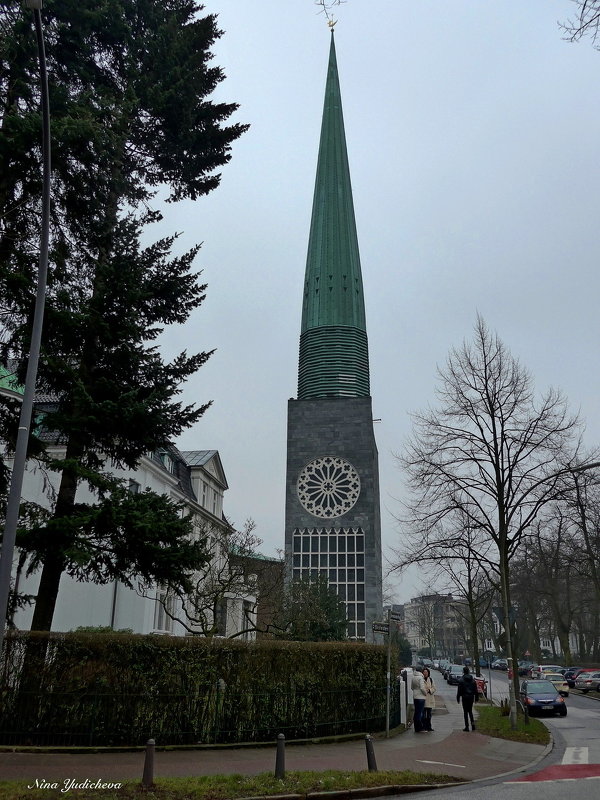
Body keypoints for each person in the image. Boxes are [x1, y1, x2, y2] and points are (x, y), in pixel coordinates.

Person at [457, 665, 480, 731]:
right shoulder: (473, 680)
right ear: (469, 671)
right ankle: (473, 725)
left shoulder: (461, 680)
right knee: (470, 711)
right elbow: (476, 690)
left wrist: (458, 697)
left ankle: (467, 726)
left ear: (463, 672)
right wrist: (476, 698)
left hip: (464, 697)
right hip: (471, 697)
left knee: (465, 712)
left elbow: (459, 690)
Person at [411, 668, 427, 733]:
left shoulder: (413, 677)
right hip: (421, 697)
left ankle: (416, 727)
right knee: (420, 713)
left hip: (415, 696)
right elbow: (422, 688)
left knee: (416, 712)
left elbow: (411, 687)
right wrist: (425, 693)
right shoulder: (421, 678)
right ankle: (420, 728)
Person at [422, 667, 436, 731]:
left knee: (429, 715)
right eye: (424, 672)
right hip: (424, 699)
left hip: (430, 699)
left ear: (428, 673)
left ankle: (429, 727)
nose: (425, 673)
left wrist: (430, 690)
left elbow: (434, 688)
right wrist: (425, 691)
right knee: (424, 715)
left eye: (426, 672)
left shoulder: (431, 680)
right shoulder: (421, 680)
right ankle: (424, 726)